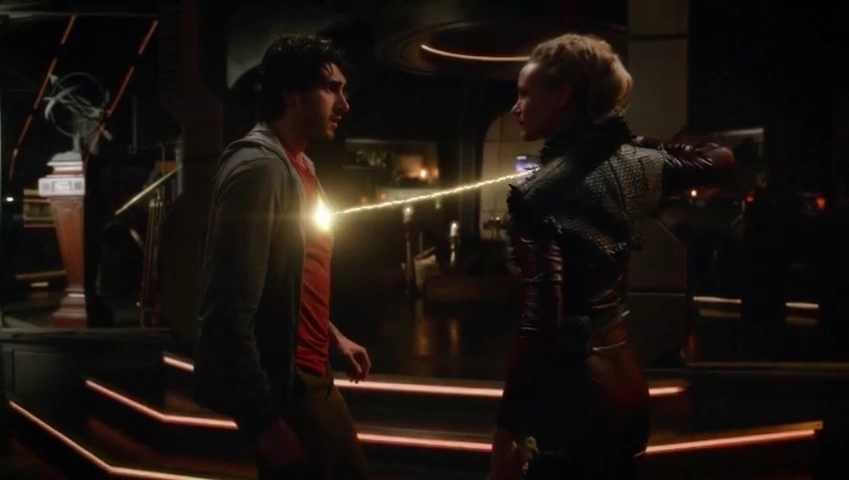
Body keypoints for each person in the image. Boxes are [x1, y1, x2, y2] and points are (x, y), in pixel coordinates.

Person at [490, 34, 735, 479]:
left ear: (561, 95)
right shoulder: (633, 161)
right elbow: (718, 159)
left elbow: (541, 323)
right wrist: (620, 141)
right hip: (625, 382)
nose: (515, 106)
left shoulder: (537, 195)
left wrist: (508, 431)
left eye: (525, 93)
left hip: (573, 401)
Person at [192, 35, 372, 480]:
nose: (344, 104)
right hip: (288, 383)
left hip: (309, 369)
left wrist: (331, 335)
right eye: (331, 89)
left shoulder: (300, 166)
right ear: (291, 95)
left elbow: (290, 276)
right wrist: (265, 422)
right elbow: (226, 310)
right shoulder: (261, 169)